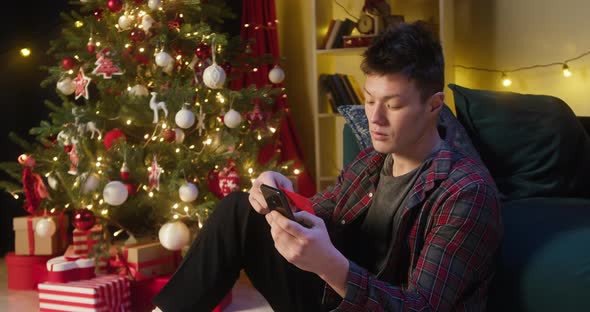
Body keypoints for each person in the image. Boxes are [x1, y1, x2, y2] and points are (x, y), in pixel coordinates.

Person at [153, 21, 503, 312]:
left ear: (433, 105)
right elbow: (320, 212)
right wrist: (281, 195)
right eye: (369, 100)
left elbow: (421, 306)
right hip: (330, 297)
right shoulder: (372, 160)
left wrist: (331, 266)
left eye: (393, 106)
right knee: (240, 210)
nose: (374, 118)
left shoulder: (466, 192)